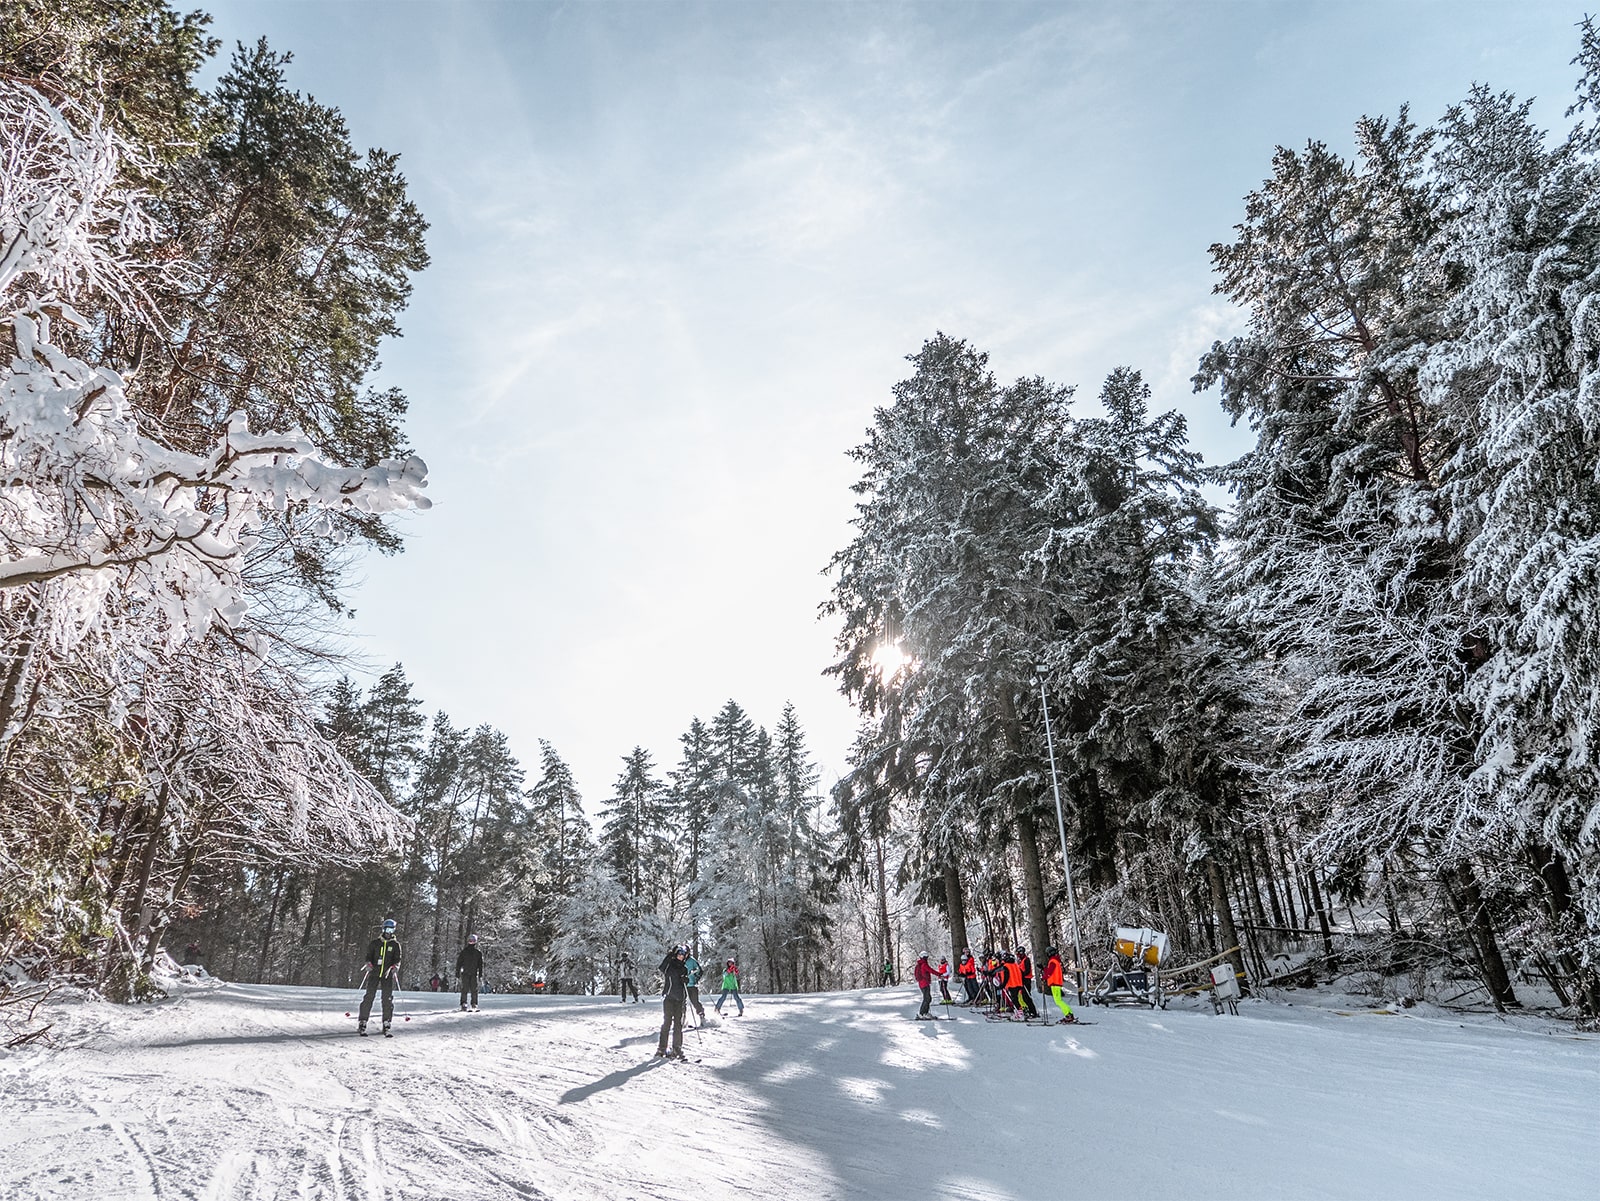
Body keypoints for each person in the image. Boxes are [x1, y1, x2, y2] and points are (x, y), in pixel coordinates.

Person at [357, 917, 402, 1037]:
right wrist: (368, 964)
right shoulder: (375, 943)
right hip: (374, 973)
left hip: (387, 975)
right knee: (369, 997)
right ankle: (363, 1021)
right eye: (387, 929)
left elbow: (397, 959)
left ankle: (387, 1022)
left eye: (391, 930)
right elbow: (368, 956)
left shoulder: (395, 945)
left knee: (387, 999)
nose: (389, 932)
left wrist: (396, 966)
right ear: (383, 929)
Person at [656, 945, 690, 1059]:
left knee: (678, 1024)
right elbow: (661, 967)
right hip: (669, 998)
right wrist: (670, 954)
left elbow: (684, 982)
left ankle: (677, 1047)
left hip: (679, 999)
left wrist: (685, 980)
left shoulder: (684, 968)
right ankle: (662, 1048)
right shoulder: (669, 966)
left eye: (682, 955)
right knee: (667, 1023)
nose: (681, 956)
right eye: (679, 954)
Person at [1043, 945, 1079, 1024]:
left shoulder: (1052, 961)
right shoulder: (1055, 961)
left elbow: (1049, 973)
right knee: (1059, 1001)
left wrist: (1044, 977)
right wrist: (1044, 969)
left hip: (1055, 983)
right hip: (1056, 983)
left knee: (1058, 1001)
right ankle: (1069, 1014)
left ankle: (1068, 1015)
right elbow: (1050, 971)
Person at [457, 934, 484, 1011]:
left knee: (473, 989)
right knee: (466, 989)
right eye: (470, 940)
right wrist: (457, 973)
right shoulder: (465, 952)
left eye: (473, 940)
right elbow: (459, 963)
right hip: (466, 973)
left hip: (473, 974)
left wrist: (480, 975)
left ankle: (473, 1004)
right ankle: (465, 1003)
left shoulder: (477, 953)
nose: (471, 942)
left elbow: (480, 965)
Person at [683, 947, 707, 1024]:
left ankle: (701, 1014)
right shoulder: (679, 960)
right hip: (682, 985)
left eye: (686, 953)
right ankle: (682, 1018)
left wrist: (696, 978)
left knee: (694, 1001)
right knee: (681, 1002)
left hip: (692, 985)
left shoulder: (692, 961)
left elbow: (700, 971)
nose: (684, 955)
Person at [913, 951, 934, 1019]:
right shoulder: (924, 964)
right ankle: (922, 1013)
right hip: (925, 984)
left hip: (922, 984)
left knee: (928, 998)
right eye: (926, 957)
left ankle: (925, 1013)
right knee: (927, 998)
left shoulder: (919, 965)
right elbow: (931, 970)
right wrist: (940, 974)